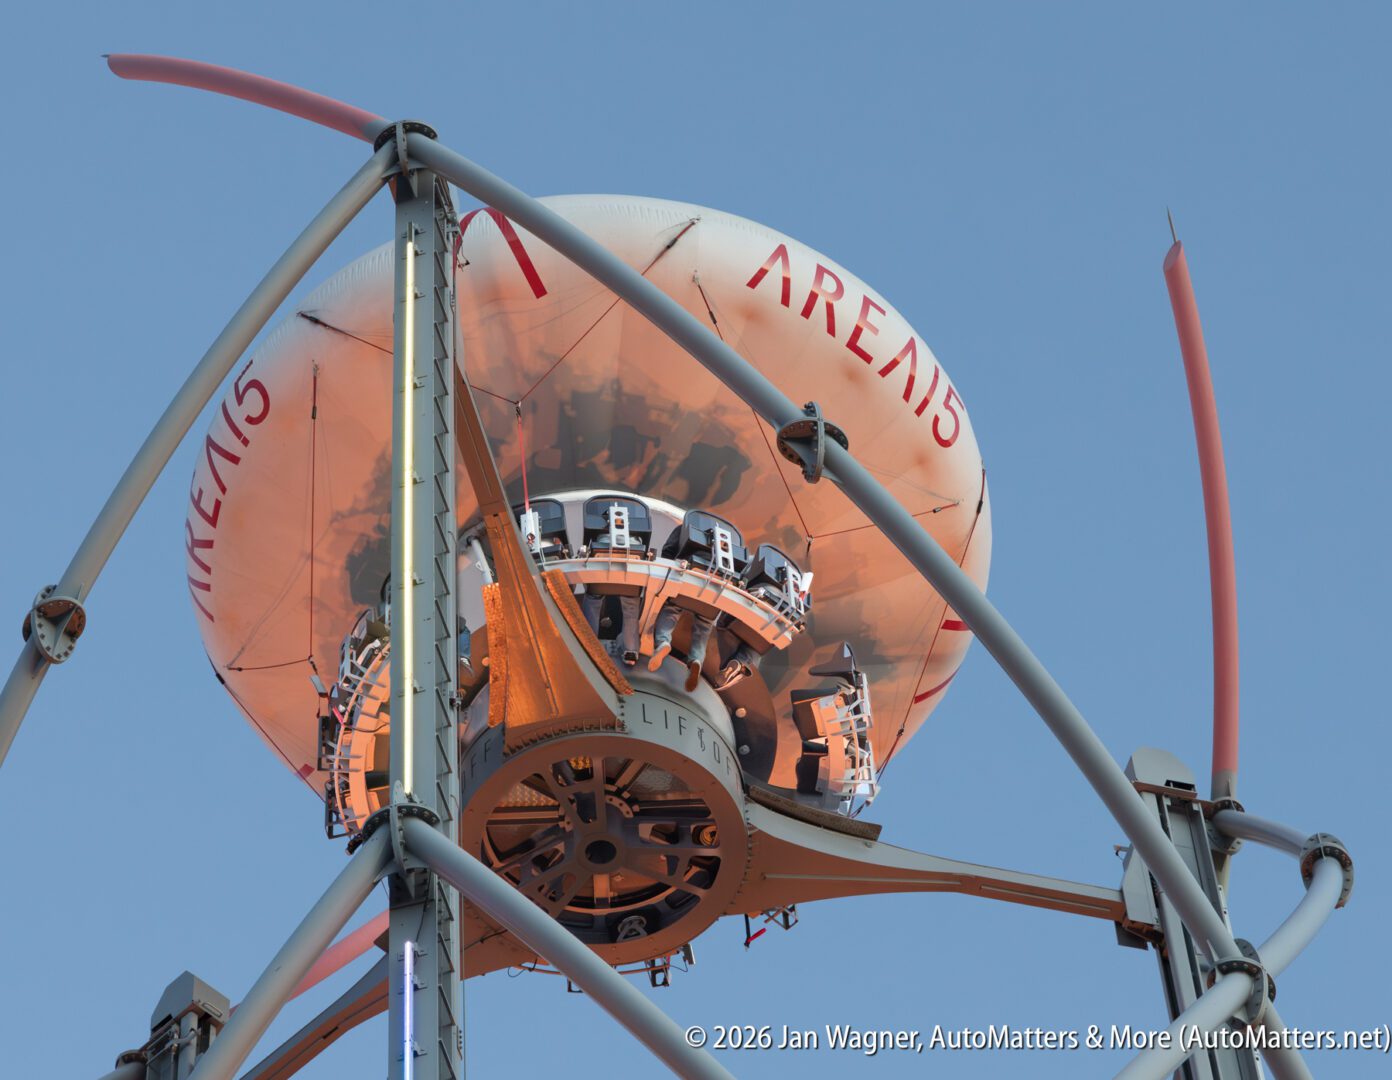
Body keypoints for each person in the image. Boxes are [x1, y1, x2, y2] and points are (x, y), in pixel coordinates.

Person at [648, 602, 713, 692]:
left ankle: (663, 643)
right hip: (713, 597)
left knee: (672, 608)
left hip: (688, 590)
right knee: (704, 624)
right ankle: (696, 660)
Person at [582, 588, 641, 667]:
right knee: (630, 602)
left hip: (599, 579)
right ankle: (630, 651)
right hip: (630, 581)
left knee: (594, 597)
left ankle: (588, 646)